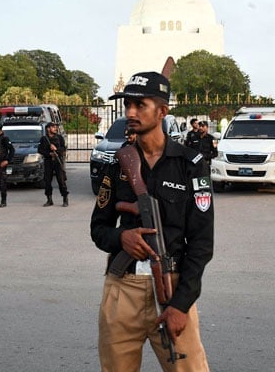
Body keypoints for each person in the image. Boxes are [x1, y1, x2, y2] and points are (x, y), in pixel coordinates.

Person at [91, 71, 213, 371]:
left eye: (139, 105)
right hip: (123, 289)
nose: (130, 112)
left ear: (162, 111)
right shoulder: (116, 166)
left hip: (171, 288)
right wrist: (122, 238)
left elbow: (202, 243)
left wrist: (181, 304)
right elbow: (98, 228)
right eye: (127, 105)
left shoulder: (190, 166)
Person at [37, 122, 69, 207]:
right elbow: (40, 150)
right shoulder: (44, 139)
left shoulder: (59, 138)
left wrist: (56, 149)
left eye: (56, 127)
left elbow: (63, 149)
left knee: (61, 180)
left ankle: (65, 198)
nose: (55, 128)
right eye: (53, 127)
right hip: (48, 162)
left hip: (58, 162)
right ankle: (49, 199)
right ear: (48, 129)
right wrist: (49, 154)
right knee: (47, 180)